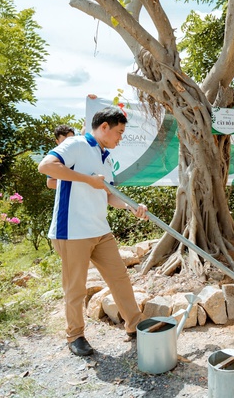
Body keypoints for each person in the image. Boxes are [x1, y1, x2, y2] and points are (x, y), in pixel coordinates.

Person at [38, 107, 148, 357]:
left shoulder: (106, 158)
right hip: (72, 231)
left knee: (119, 278)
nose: (120, 137)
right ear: (104, 127)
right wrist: (88, 179)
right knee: (75, 288)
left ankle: (135, 326)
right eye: (119, 132)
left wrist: (131, 206)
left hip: (100, 230)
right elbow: (46, 167)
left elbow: (109, 196)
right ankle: (75, 336)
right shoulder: (76, 144)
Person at [46, 125, 76, 189]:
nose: (68, 144)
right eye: (64, 142)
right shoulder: (55, 157)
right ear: (57, 142)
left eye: (71, 140)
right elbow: (50, 183)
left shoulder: (80, 151)